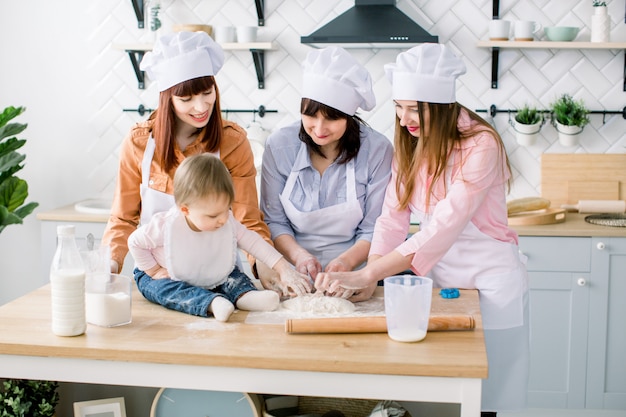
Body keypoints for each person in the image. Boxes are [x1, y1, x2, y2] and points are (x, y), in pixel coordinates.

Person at [314, 44, 529, 415]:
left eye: (414, 109)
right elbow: (392, 217)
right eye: (398, 107)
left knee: (490, 396)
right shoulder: (411, 144)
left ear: (442, 106)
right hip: (441, 279)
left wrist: (369, 272)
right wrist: (372, 276)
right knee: (441, 390)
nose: (403, 119)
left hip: (491, 280)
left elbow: (446, 225)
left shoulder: (482, 144)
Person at [101, 31, 311, 297]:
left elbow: (247, 219)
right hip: (167, 276)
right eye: (186, 99)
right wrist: (108, 265)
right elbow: (123, 218)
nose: (201, 106)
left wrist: (266, 268)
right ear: (168, 99)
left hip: (219, 273)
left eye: (206, 92)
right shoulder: (139, 144)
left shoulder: (232, 142)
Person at [260, 46, 393, 300]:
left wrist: (345, 263)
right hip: (290, 271)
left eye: (331, 118)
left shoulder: (377, 150)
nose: (318, 128)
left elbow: (374, 228)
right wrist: (299, 256)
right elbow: (274, 220)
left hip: (356, 272)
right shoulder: (280, 145)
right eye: (310, 115)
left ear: (349, 117)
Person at [128, 154, 310, 322]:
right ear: (185, 210)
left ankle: (245, 295)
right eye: (213, 216)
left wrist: (283, 267)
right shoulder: (164, 226)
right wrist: (153, 270)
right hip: (168, 275)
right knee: (163, 289)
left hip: (206, 269)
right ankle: (210, 303)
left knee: (232, 274)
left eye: (227, 210)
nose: (223, 219)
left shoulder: (225, 221)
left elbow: (254, 243)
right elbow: (135, 242)